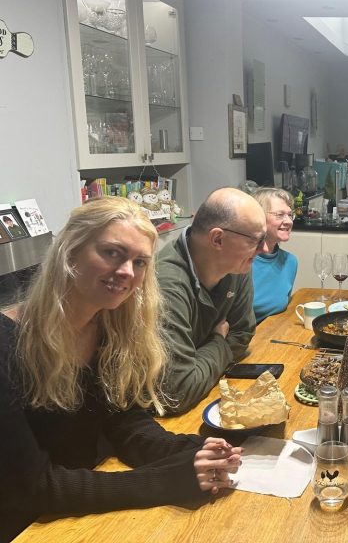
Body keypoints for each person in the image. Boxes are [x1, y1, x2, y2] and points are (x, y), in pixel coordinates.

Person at [0, 197, 242, 542]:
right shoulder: (6, 344)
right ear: (70, 252)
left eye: (140, 262)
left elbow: (123, 422)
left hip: (72, 517)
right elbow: (33, 487)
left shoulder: (107, 328)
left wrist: (192, 449)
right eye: (112, 253)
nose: (128, 271)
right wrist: (170, 480)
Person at [157, 187, 268, 414]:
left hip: (207, 395)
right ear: (218, 239)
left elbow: (242, 334)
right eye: (257, 240)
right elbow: (177, 392)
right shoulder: (166, 284)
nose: (264, 249)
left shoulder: (236, 265)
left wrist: (199, 363)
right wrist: (218, 340)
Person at [247, 187, 298, 323]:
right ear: (258, 218)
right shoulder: (240, 262)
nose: (289, 221)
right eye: (280, 215)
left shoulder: (290, 262)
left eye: (290, 215)